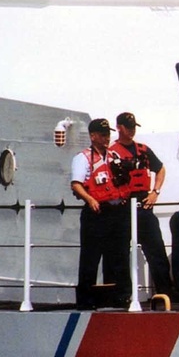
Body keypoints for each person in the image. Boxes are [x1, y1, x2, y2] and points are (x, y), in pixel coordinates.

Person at [109, 112, 173, 297]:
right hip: (122, 208)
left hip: (144, 206)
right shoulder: (112, 152)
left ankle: (165, 292)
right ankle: (123, 295)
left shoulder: (143, 150)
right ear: (119, 127)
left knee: (156, 250)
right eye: (128, 127)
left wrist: (155, 192)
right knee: (120, 253)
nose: (132, 130)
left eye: (134, 127)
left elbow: (160, 169)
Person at [70, 118, 129, 309]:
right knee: (90, 257)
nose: (106, 138)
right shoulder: (83, 158)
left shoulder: (113, 156)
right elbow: (76, 184)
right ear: (93, 136)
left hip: (116, 212)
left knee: (118, 256)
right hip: (96, 213)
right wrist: (90, 199)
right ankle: (86, 300)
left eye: (108, 135)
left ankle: (119, 297)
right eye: (103, 135)